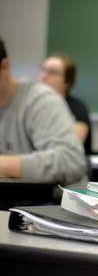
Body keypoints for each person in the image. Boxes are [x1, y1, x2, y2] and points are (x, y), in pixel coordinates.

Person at [0, 37, 86, 185]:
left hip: (52, 202)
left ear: (5, 67)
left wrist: (4, 164)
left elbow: (70, 161)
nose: (44, 75)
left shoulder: (41, 100)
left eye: (52, 72)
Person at [39, 53, 93, 155]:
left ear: (67, 81)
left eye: (52, 72)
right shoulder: (34, 107)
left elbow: (69, 147)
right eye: (42, 69)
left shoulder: (77, 108)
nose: (43, 76)